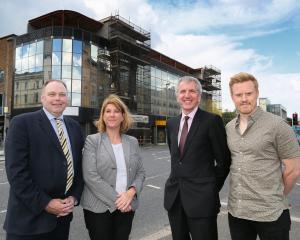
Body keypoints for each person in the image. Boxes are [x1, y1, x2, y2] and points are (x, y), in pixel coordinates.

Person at [4, 80, 84, 240]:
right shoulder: (21, 123)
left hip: (61, 221)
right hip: (28, 222)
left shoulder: (74, 127)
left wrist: (74, 196)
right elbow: (17, 174)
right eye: (52, 94)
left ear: (67, 99)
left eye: (62, 94)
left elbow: (78, 168)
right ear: (42, 98)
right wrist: (45, 203)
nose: (57, 98)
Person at [226, 72, 300, 240]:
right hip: (237, 213)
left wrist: (274, 195)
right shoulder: (229, 127)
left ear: (257, 93)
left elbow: (294, 169)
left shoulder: (277, 125)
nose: (244, 99)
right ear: (232, 97)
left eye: (249, 93)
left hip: (271, 214)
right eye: (239, 94)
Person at [164, 76, 231, 240]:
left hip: (203, 201)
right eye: (183, 91)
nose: (187, 95)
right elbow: (177, 159)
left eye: (192, 91)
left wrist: (210, 188)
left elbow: (224, 161)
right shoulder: (171, 123)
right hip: (175, 199)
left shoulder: (212, 121)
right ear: (177, 96)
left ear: (199, 96)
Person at [81, 94, 145, 240]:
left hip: (127, 206)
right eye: (108, 111)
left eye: (116, 111)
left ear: (123, 116)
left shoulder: (132, 142)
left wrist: (131, 193)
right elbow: (90, 176)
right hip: (99, 208)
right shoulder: (92, 141)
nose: (112, 115)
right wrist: (120, 201)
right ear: (103, 116)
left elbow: (140, 172)